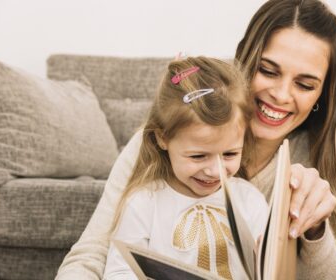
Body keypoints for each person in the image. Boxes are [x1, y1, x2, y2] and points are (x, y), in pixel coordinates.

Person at [56, 0, 336, 279]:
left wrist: (314, 233)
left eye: (305, 84)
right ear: (246, 61)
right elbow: (94, 255)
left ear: (322, 95)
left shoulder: (315, 164)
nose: (280, 94)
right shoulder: (160, 144)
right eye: (267, 70)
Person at [103, 56, 269, 280]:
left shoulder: (250, 200)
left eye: (230, 154)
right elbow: (120, 271)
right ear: (163, 139)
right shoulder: (144, 203)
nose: (214, 170)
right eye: (198, 156)